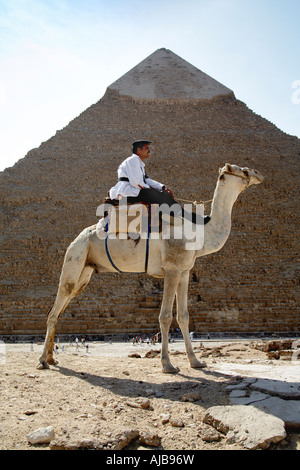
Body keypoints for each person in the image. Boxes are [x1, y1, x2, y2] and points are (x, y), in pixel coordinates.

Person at [109, 140, 210, 224]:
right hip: (128, 191)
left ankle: (175, 217)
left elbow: (146, 180)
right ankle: (193, 219)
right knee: (161, 197)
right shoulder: (133, 160)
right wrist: (154, 191)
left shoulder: (139, 163)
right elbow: (136, 182)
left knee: (164, 196)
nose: (149, 150)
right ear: (138, 150)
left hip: (135, 190)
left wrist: (162, 187)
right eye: (146, 148)